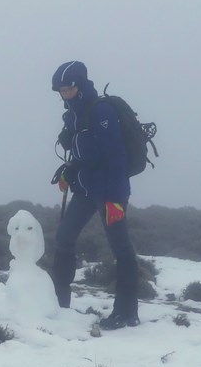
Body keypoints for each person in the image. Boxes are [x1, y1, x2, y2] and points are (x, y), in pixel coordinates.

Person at [49, 60, 140, 330]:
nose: (64, 94)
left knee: (121, 249)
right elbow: (83, 153)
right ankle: (59, 302)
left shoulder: (100, 111)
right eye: (61, 90)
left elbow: (116, 157)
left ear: (79, 85)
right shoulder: (74, 115)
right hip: (87, 189)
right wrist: (69, 172)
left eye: (68, 89)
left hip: (110, 191)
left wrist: (115, 200)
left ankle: (126, 313)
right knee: (64, 237)